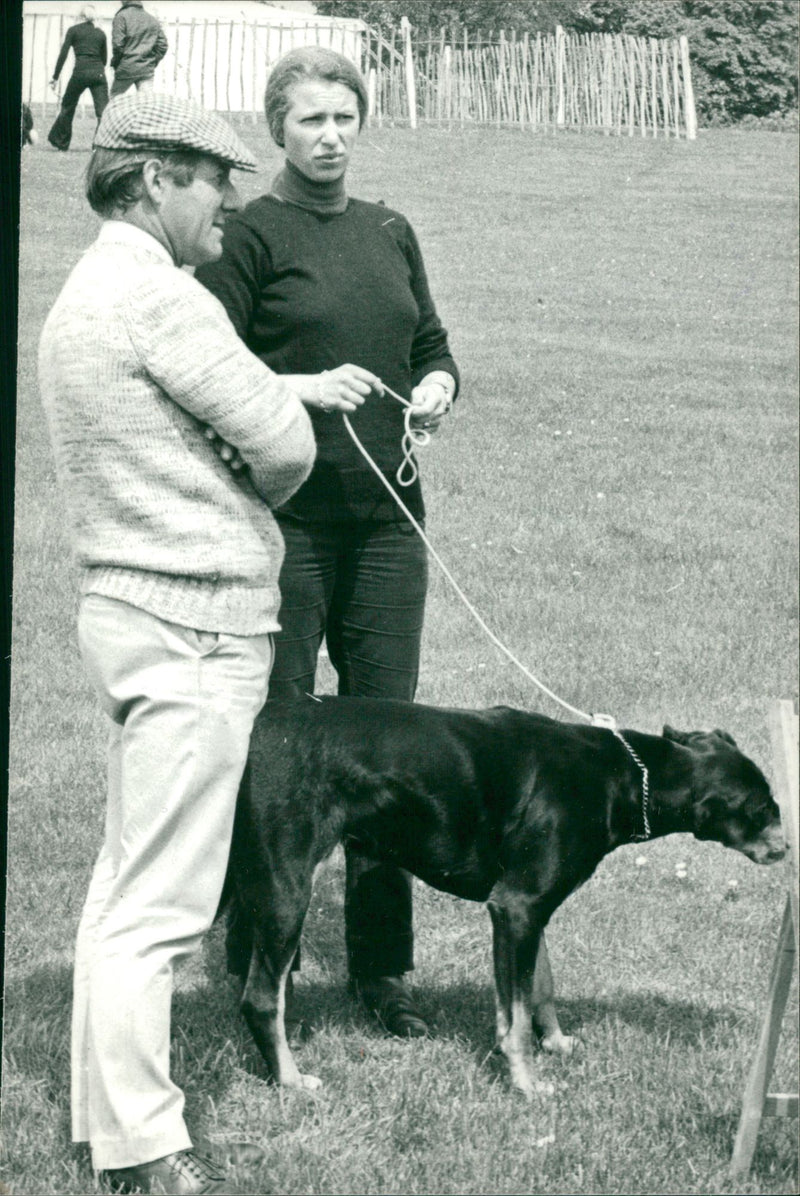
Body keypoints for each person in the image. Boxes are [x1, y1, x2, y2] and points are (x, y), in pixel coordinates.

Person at [38, 91, 379, 1196]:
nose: (228, 201)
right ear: (153, 180)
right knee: (162, 905)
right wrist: (249, 462)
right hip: (194, 623)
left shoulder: (88, 291)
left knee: (122, 889)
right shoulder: (161, 296)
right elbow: (283, 439)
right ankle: (145, 1143)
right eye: (212, 180)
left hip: (130, 608)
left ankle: (106, 1127)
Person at [196, 46, 460, 1040]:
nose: (330, 136)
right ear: (278, 129)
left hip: (390, 527)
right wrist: (301, 390)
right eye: (311, 119)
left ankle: (382, 970)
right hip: (288, 525)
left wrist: (436, 386)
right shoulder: (247, 235)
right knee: (285, 747)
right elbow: (206, 371)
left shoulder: (389, 228)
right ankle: (261, 960)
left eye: (344, 117)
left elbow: (429, 342)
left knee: (390, 745)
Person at [47, 5, 108, 152]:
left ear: (80, 16)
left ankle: (61, 143)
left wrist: (55, 77)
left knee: (68, 106)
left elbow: (63, 55)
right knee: (103, 112)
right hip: (98, 74)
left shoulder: (73, 30)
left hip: (80, 73)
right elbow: (104, 59)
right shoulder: (101, 33)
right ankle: (98, 147)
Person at [110, 0, 167, 98]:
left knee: (115, 101)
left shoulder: (121, 16)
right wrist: (152, 62)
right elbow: (162, 45)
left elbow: (118, 45)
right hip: (146, 69)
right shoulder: (152, 19)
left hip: (127, 67)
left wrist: (117, 64)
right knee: (146, 102)